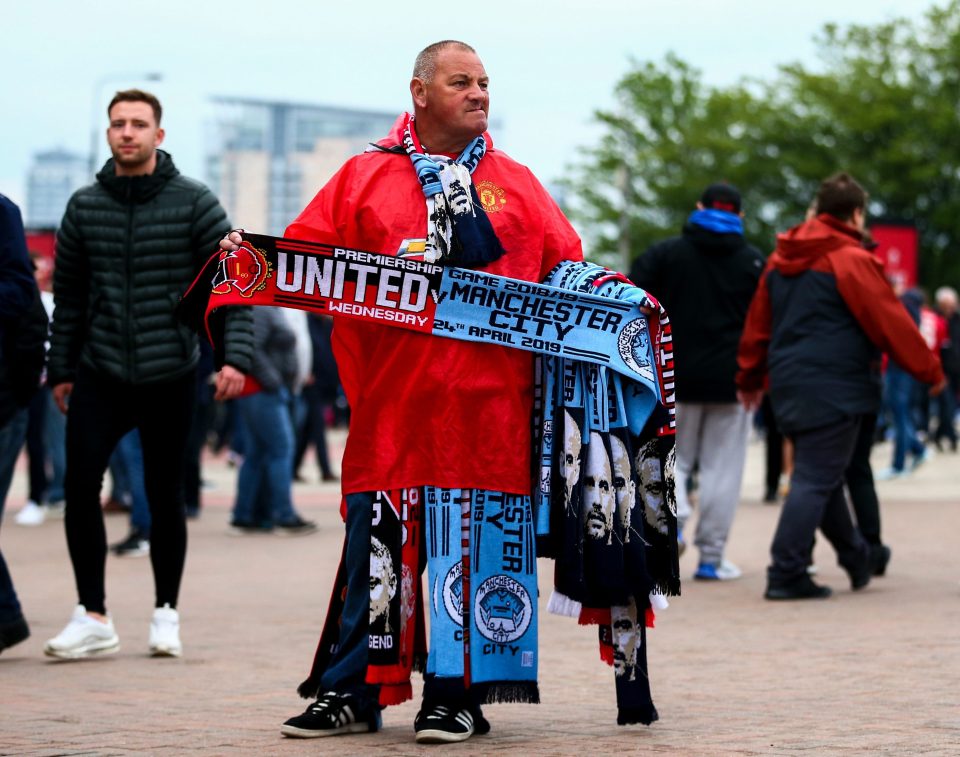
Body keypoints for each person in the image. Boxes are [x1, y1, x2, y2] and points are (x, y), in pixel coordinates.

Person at [221, 40, 581, 744]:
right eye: (461, 82)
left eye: (484, 83)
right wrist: (253, 258)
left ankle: (457, 695)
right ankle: (353, 689)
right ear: (419, 92)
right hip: (394, 408)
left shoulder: (517, 183)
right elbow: (304, 262)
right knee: (376, 552)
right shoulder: (364, 177)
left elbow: (567, 267)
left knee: (474, 556)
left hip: (489, 412)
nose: (479, 93)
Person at [43, 89, 253, 659]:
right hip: (100, 369)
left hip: (171, 370)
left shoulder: (194, 201)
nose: (127, 132)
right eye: (118, 124)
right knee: (81, 487)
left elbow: (234, 282)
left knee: (164, 495)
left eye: (139, 124)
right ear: (108, 135)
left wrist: (235, 357)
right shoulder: (84, 206)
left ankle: (166, 613)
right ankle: (93, 615)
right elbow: (71, 298)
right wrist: (60, 368)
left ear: (159, 135)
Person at [737, 172, 945, 601]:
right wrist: (931, 373)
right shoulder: (850, 258)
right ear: (855, 213)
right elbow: (892, 323)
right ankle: (786, 570)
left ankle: (856, 558)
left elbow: (758, 324)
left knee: (822, 474)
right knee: (816, 476)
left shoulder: (780, 259)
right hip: (836, 384)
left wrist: (750, 378)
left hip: (789, 382)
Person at [629, 183, 764, 581]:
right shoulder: (754, 262)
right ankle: (711, 558)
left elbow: (631, 296)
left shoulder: (666, 254)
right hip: (733, 381)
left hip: (674, 375)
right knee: (725, 469)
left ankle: (677, 519)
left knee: (676, 457)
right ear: (739, 215)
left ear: (698, 206)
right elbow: (766, 324)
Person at [0, 194, 47, 655]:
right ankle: (7, 618)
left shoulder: (3, 211)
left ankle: (8, 617)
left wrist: (17, 392)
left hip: (4, 399)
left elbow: (22, 298)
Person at [229, 306, 316, 534]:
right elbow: (252, 348)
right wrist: (274, 382)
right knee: (281, 450)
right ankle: (282, 514)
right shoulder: (260, 307)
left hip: (263, 390)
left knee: (257, 453)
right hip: (263, 391)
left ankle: (247, 515)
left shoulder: (268, 306)